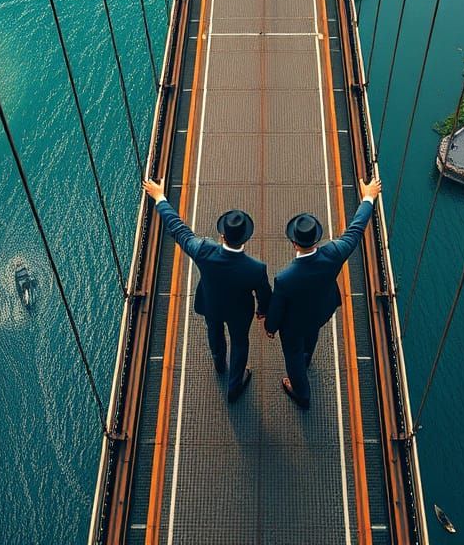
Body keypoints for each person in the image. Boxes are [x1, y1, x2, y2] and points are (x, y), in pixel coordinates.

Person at [143, 177, 271, 404]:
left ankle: (219, 362)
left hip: (211, 304)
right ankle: (234, 386)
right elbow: (264, 293)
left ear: (222, 235)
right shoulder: (256, 269)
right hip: (239, 313)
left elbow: (178, 229)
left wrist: (160, 197)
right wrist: (262, 311)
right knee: (240, 343)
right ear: (246, 238)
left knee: (214, 330)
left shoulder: (203, 251)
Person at [265, 175, 381, 410]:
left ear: (294, 243)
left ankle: (302, 393)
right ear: (316, 239)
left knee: (293, 357)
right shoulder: (335, 252)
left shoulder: (285, 279)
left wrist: (270, 328)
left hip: (294, 326)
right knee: (312, 336)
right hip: (321, 312)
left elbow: (277, 309)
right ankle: (307, 358)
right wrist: (368, 197)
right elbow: (356, 229)